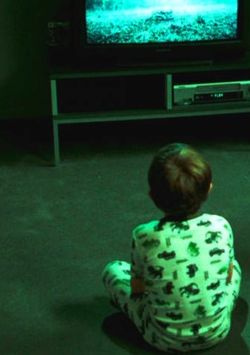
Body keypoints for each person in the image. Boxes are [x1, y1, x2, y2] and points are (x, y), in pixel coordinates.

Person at [102, 143, 241, 352]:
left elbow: (138, 290)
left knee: (112, 270)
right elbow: (229, 276)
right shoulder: (221, 226)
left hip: (161, 339)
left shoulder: (143, 234)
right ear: (209, 190)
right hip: (217, 332)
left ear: (152, 196)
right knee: (236, 267)